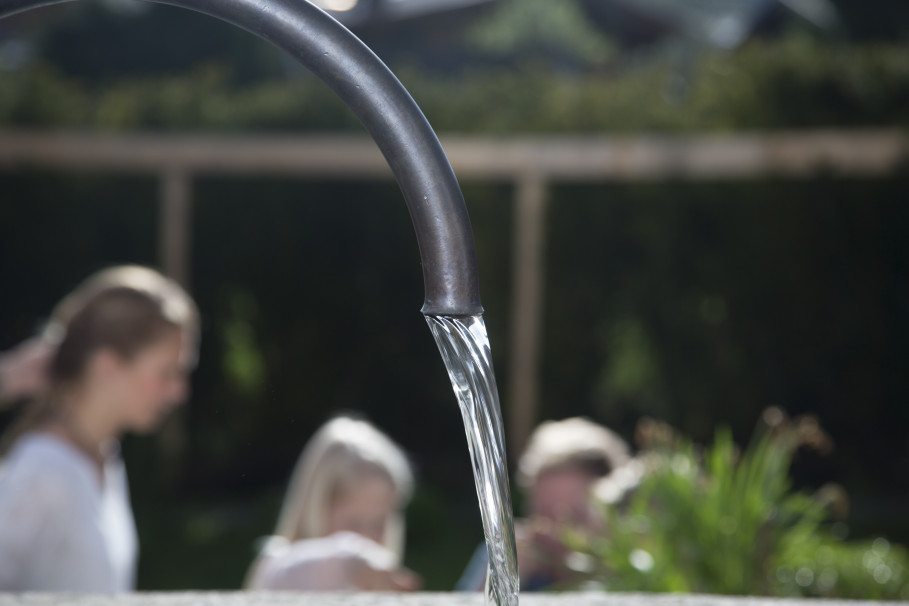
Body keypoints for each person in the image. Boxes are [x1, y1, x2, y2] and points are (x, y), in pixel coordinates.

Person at [0, 265, 199, 591]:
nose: (180, 391)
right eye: (166, 372)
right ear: (108, 366)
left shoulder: (105, 458)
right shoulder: (42, 470)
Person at [457, 416, 636, 592]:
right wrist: (501, 579)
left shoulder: (637, 567)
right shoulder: (503, 553)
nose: (555, 532)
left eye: (574, 518)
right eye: (542, 516)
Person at [244, 415, 421, 591]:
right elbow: (282, 574)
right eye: (353, 524)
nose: (367, 540)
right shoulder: (277, 569)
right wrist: (349, 560)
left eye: (379, 524)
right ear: (315, 509)